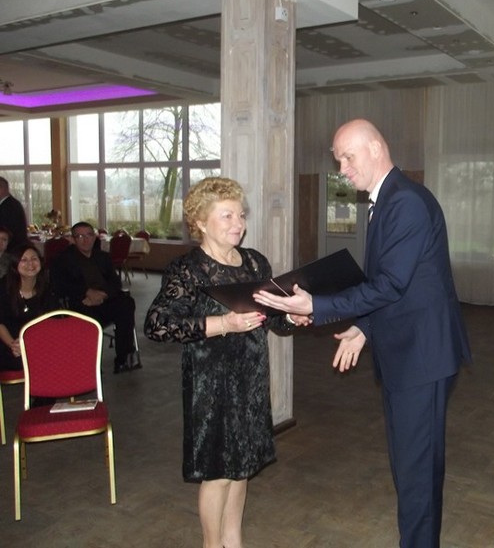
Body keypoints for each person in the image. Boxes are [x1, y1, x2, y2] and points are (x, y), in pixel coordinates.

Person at [253, 119, 472, 548]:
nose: (342, 169)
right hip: (409, 353)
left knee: (417, 472)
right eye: (338, 161)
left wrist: (318, 306)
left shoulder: (404, 202)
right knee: (410, 466)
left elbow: (390, 284)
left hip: (422, 357)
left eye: (347, 157)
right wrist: (362, 327)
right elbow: (404, 285)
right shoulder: (388, 199)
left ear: (375, 148)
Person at [144, 177, 308, 548]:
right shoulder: (189, 270)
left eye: (241, 215)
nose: (239, 223)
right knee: (217, 472)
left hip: (250, 380)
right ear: (201, 222)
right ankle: (211, 544)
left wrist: (292, 316)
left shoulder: (254, 262)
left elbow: (272, 319)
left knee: (241, 468)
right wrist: (223, 324)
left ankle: (233, 542)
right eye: (228, 215)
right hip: (211, 385)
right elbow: (156, 324)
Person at [49, 221, 139, 374]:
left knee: (126, 304)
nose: (85, 240)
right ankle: (91, 364)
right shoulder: (62, 260)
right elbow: (59, 285)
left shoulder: (103, 257)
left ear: (94, 237)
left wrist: (103, 295)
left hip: (105, 299)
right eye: (80, 236)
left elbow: (115, 282)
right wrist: (86, 292)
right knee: (85, 316)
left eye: (89, 235)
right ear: (73, 239)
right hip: (81, 301)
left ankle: (124, 358)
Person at [0, 244, 59, 372]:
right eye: (24, 260)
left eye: (34, 259)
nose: (30, 264)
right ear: (15, 264)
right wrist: (13, 345)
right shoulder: (4, 287)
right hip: (9, 342)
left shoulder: (47, 288)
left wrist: (36, 343)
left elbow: (52, 320)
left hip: (37, 341)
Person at [0, 177, 28, 251]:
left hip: (11, 248)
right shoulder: (10, 203)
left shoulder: (9, 206)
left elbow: (5, 229)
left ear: (2, 189)